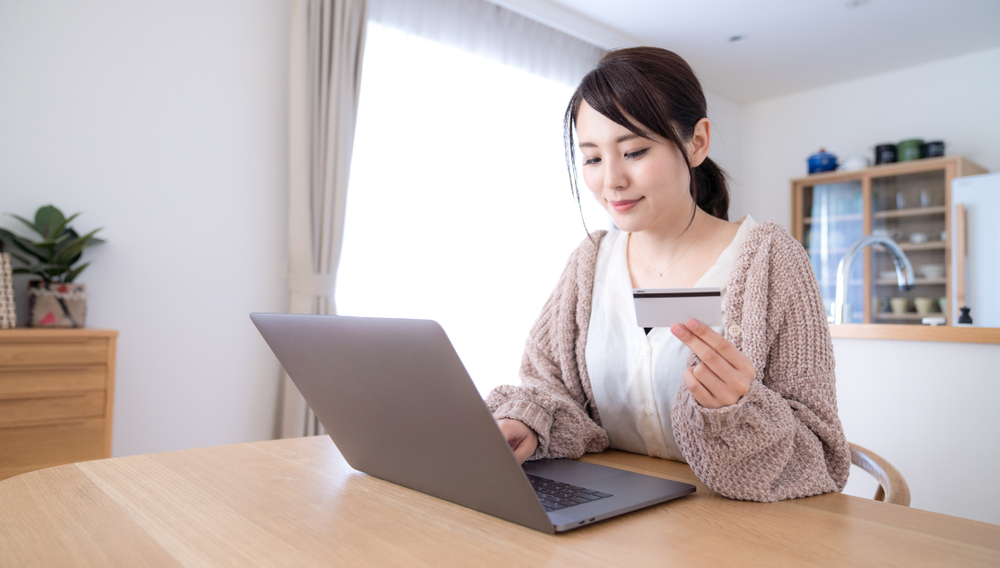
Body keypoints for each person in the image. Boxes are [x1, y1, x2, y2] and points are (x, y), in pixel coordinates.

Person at [486, 47, 850, 502]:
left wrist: (739, 410)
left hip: (736, 527)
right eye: (593, 158)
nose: (611, 180)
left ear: (697, 143)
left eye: (634, 151)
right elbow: (548, 389)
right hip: (609, 518)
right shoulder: (589, 263)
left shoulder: (770, 261)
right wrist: (527, 422)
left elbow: (821, 455)